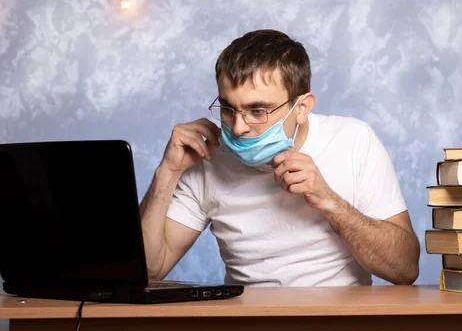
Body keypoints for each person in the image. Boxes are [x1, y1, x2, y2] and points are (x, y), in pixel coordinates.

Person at [140, 29, 420, 286]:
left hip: (339, 324)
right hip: (248, 325)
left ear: (302, 107)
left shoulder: (354, 140)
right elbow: (150, 270)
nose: (238, 127)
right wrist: (167, 172)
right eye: (228, 108)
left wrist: (330, 202)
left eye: (258, 111)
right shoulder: (206, 158)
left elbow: (405, 269)